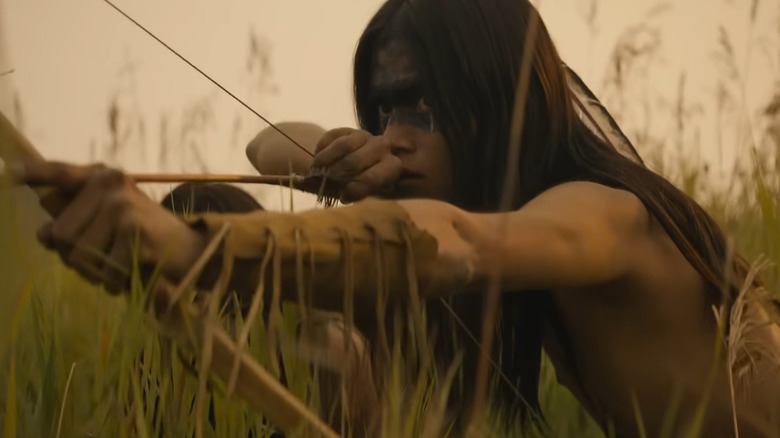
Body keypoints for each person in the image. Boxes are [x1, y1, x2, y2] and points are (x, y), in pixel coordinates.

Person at [13, 0, 780, 437]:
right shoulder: (500, 192)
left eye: (425, 104)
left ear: (492, 100)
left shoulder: (602, 217)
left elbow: (457, 240)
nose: (399, 131)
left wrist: (189, 246)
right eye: (385, 108)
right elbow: (265, 143)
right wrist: (348, 152)